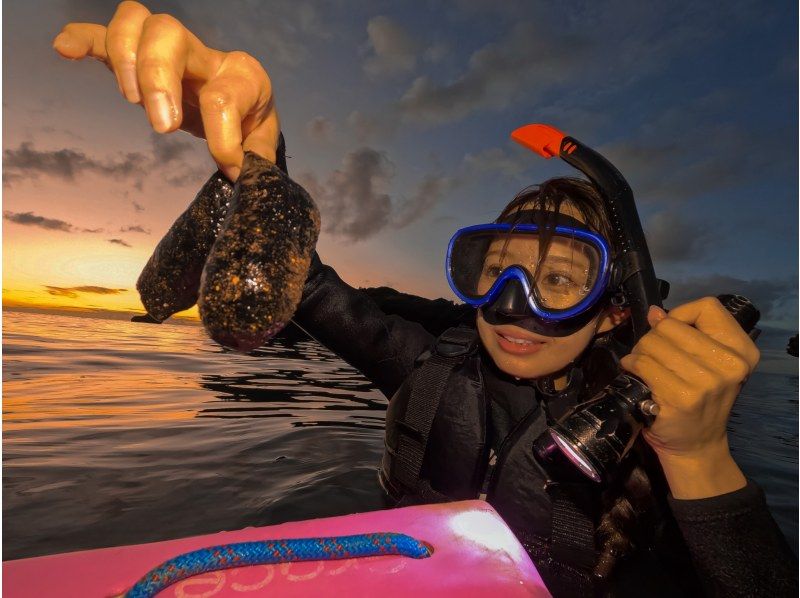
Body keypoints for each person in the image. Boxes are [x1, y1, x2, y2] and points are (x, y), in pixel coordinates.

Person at [54, 3, 797, 596]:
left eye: (559, 279)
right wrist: (257, 157)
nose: (511, 303)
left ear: (614, 310)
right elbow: (305, 282)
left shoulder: (655, 443)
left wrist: (699, 457)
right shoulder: (428, 372)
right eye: (495, 270)